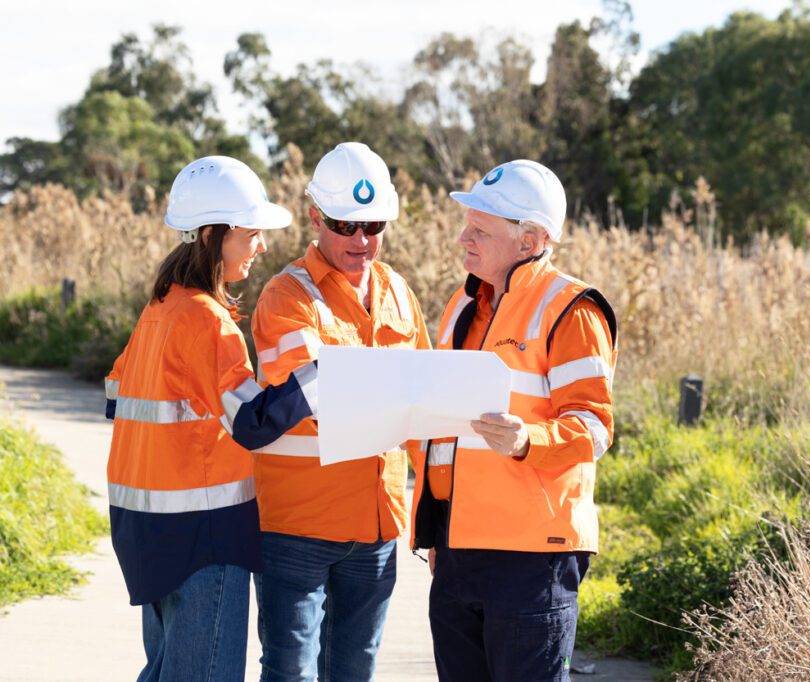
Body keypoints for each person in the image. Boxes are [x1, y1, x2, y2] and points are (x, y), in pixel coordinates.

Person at [105, 155, 320, 682]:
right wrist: (321, 376)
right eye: (251, 234)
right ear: (212, 235)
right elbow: (251, 422)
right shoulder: (207, 320)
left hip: (145, 533)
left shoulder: (160, 309)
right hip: (203, 537)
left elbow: (116, 396)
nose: (262, 246)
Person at [410, 160, 618, 682]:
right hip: (458, 553)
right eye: (467, 225)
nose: (463, 238)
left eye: (480, 229)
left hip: (531, 558)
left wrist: (530, 439)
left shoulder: (572, 310)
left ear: (530, 241)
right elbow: (446, 433)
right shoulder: (462, 304)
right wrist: (438, 532)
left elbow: (594, 425)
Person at [250, 142, 430, 681]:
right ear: (314, 218)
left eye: (373, 226)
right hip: (298, 525)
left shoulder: (399, 292)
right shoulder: (286, 297)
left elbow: (425, 405)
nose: (362, 240)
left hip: (377, 526)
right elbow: (316, 401)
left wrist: (434, 510)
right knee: (291, 673)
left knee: (355, 672)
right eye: (345, 225)